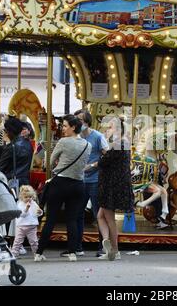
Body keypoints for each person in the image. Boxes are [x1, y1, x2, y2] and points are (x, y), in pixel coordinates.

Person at [35, 114, 91, 262]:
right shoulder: (87, 145)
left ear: (73, 127)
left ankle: (39, 253)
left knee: (51, 219)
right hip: (78, 184)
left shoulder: (63, 142)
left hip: (60, 183)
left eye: (65, 126)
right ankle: (72, 253)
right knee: (72, 219)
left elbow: (51, 161)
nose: (63, 129)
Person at [96, 117, 134, 261]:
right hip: (116, 183)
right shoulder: (124, 143)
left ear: (118, 129)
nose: (107, 130)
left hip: (111, 185)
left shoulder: (118, 143)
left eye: (110, 127)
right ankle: (106, 242)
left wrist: (102, 155)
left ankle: (115, 250)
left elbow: (103, 162)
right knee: (100, 216)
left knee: (109, 218)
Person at [74, 110, 108, 257]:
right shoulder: (76, 137)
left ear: (87, 121)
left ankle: (102, 246)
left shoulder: (98, 137)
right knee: (77, 214)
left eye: (80, 120)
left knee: (97, 214)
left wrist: (93, 165)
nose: (78, 123)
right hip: (80, 180)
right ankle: (77, 246)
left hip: (95, 180)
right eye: (76, 120)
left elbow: (107, 156)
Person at [0, 117, 33, 187]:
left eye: (5, 131)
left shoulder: (11, 147)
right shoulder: (29, 144)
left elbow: (0, 169)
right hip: (25, 182)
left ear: (10, 131)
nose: (5, 133)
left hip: (12, 183)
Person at [11, 185, 43, 258]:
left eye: (30, 197)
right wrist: (26, 209)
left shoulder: (33, 203)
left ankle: (37, 254)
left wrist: (40, 212)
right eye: (26, 197)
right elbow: (21, 214)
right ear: (21, 197)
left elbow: (37, 213)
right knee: (17, 241)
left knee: (34, 241)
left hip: (32, 225)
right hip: (21, 226)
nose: (28, 199)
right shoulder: (19, 204)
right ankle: (14, 254)